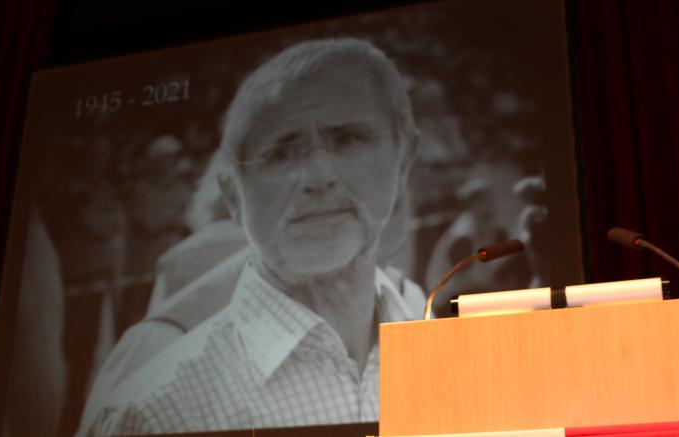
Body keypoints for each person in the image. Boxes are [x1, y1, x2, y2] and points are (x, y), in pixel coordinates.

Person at [80, 37, 425, 435]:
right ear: (232, 195)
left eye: (347, 139)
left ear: (403, 162)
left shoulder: (437, 331)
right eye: (280, 152)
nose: (318, 176)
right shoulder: (151, 411)